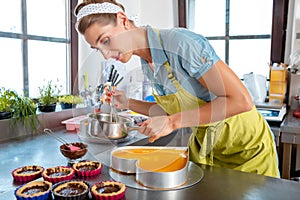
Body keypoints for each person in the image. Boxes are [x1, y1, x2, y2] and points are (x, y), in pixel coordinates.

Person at [75, 0, 280, 178]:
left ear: (122, 19)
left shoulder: (181, 43)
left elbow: (241, 100)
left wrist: (172, 123)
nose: (105, 54)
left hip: (248, 151)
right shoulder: (149, 64)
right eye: (97, 48)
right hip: (213, 153)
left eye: (105, 41)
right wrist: (128, 103)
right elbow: (177, 109)